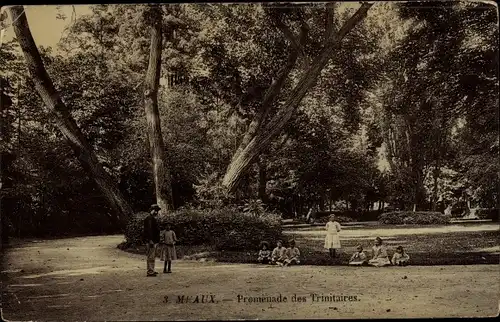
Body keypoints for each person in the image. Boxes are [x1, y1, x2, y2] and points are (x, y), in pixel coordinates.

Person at [144, 204, 161, 276]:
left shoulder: (151, 218)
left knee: (152, 256)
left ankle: (151, 269)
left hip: (153, 240)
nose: (156, 212)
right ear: (152, 210)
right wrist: (150, 240)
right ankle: (150, 271)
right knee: (151, 256)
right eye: (156, 210)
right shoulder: (150, 219)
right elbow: (149, 230)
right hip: (151, 240)